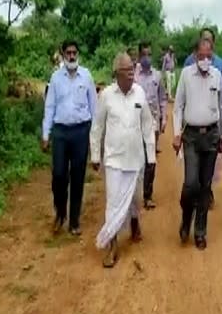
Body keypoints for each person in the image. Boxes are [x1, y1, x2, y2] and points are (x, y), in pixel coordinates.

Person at [90, 52, 156, 268]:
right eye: (127, 70)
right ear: (117, 73)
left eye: (132, 69)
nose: (132, 74)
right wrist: (96, 155)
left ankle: (135, 223)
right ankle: (112, 244)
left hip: (135, 159)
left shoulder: (139, 93)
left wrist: (151, 155)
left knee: (135, 200)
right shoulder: (106, 95)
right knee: (114, 202)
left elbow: (148, 125)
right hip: (114, 161)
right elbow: (97, 127)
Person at [173, 37, 222, 250]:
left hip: (211, 136)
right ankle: (186, 216)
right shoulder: (186, 75)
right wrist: (177, 133)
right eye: (202, 56)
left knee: (205, 186)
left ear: (212, 55)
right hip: (191, 136)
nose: (205, 60)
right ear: (195, 55)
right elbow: (178, 106)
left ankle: (200, 231)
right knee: (191, 184)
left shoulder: (217, 76)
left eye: (209, 56)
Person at [42, 40, 97, 235]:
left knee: (77, 177)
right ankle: (60, 212)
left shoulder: (86, 76)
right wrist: (45, 134)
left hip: (81, 131)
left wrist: (95, 138)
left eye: (74, 52)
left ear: (78, 55)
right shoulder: (56, 78)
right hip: (60, 132)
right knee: (58, 175)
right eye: (68, 53)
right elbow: (49, 107)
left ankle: (74, 221)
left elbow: (94, 108)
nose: (72, 56)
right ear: (63, 55)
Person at [135, 40, 167, 209]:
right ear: (139, 56)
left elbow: (162, 98)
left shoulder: (157, 76)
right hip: (134, 123)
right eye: (144, 54)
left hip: (153, 122)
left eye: (149, 54)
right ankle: (133, 195)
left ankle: (147, 195)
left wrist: (164, 119)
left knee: (151, 160)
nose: (147, 58)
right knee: (136, 159)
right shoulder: (133, 76)